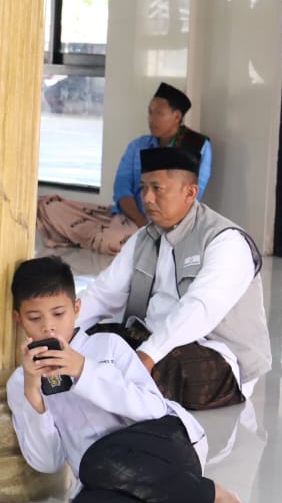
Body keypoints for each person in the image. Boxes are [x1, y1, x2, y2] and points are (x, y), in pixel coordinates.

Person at [7, 256, 267, 503]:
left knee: (96, 461)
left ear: (77, 309)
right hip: (110, 477)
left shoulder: (108, 346)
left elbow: (152, 409)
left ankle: (213, 496)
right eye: (34, 318)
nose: (48, 327)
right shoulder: (20, 383)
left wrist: (84, 371)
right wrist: (33, 395)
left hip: (166, 447)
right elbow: (47, 462)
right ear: (18, 319)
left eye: (58, 314)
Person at [78, 146, 271, 410]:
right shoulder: (144, 237)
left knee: (162, 371)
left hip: (213, 352)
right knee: (84, 343)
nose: (147, 198)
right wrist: (60, 329)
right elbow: (103, 294)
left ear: (190, 192)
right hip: (148, 337)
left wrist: (147, 355)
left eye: (157, 189)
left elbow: (200, 308)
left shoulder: (226, 241)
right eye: (144, 188)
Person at [37, 83, 213, 255]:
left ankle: (91, 236)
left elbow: (188, 199)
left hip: (167, 224)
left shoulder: (196, 146)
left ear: (177, 116)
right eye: (150, 112)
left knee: (112, 240)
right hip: (130, 217)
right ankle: (108, 235)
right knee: (47, 205)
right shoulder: (138, 146)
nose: (151, 119)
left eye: (159, 113)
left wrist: (155, 225)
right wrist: (141, 222)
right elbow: (122, 189)